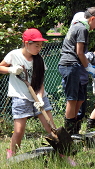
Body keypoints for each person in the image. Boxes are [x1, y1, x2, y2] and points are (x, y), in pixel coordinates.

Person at [0, 28, 55, 159]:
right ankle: (11, 156)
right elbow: (0, 67)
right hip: (20, 97)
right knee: (19, 131)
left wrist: (40, 97)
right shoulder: (14, 55)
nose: (39, 48)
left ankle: (64, 154)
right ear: (26, 43)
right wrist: (11, 69)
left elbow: (40, 82)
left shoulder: (39, 60)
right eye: (36, 45)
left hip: (38, 97)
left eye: (41, 46)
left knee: (51, 128)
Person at [58, 7, 95, 135]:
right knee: (72, 99)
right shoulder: (82, 28)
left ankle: (75, 129)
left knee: (80, 99)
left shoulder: (78, 27)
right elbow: (79, 52)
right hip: (70, 65)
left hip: (74, 65)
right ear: (93, 19)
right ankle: (68, 132)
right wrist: (88, 67)